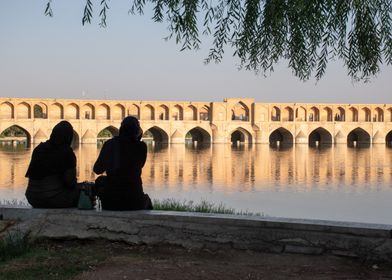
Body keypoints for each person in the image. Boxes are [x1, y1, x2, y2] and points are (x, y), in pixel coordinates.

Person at [93, 116, 153, 210]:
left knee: (100, 180)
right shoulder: (141, 147)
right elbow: (140, 165)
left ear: (121, 129)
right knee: (146, 199)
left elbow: (97, 169)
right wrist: (138, 138)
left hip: (111, 202)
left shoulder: (110, 144)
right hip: (134, 201)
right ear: (137, 130)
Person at [25, 121, 79, 208]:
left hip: (32, 198)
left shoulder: (39, 149)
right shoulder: (66, 152)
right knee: (85, 191)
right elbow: (70, 183)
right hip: (53, 198)